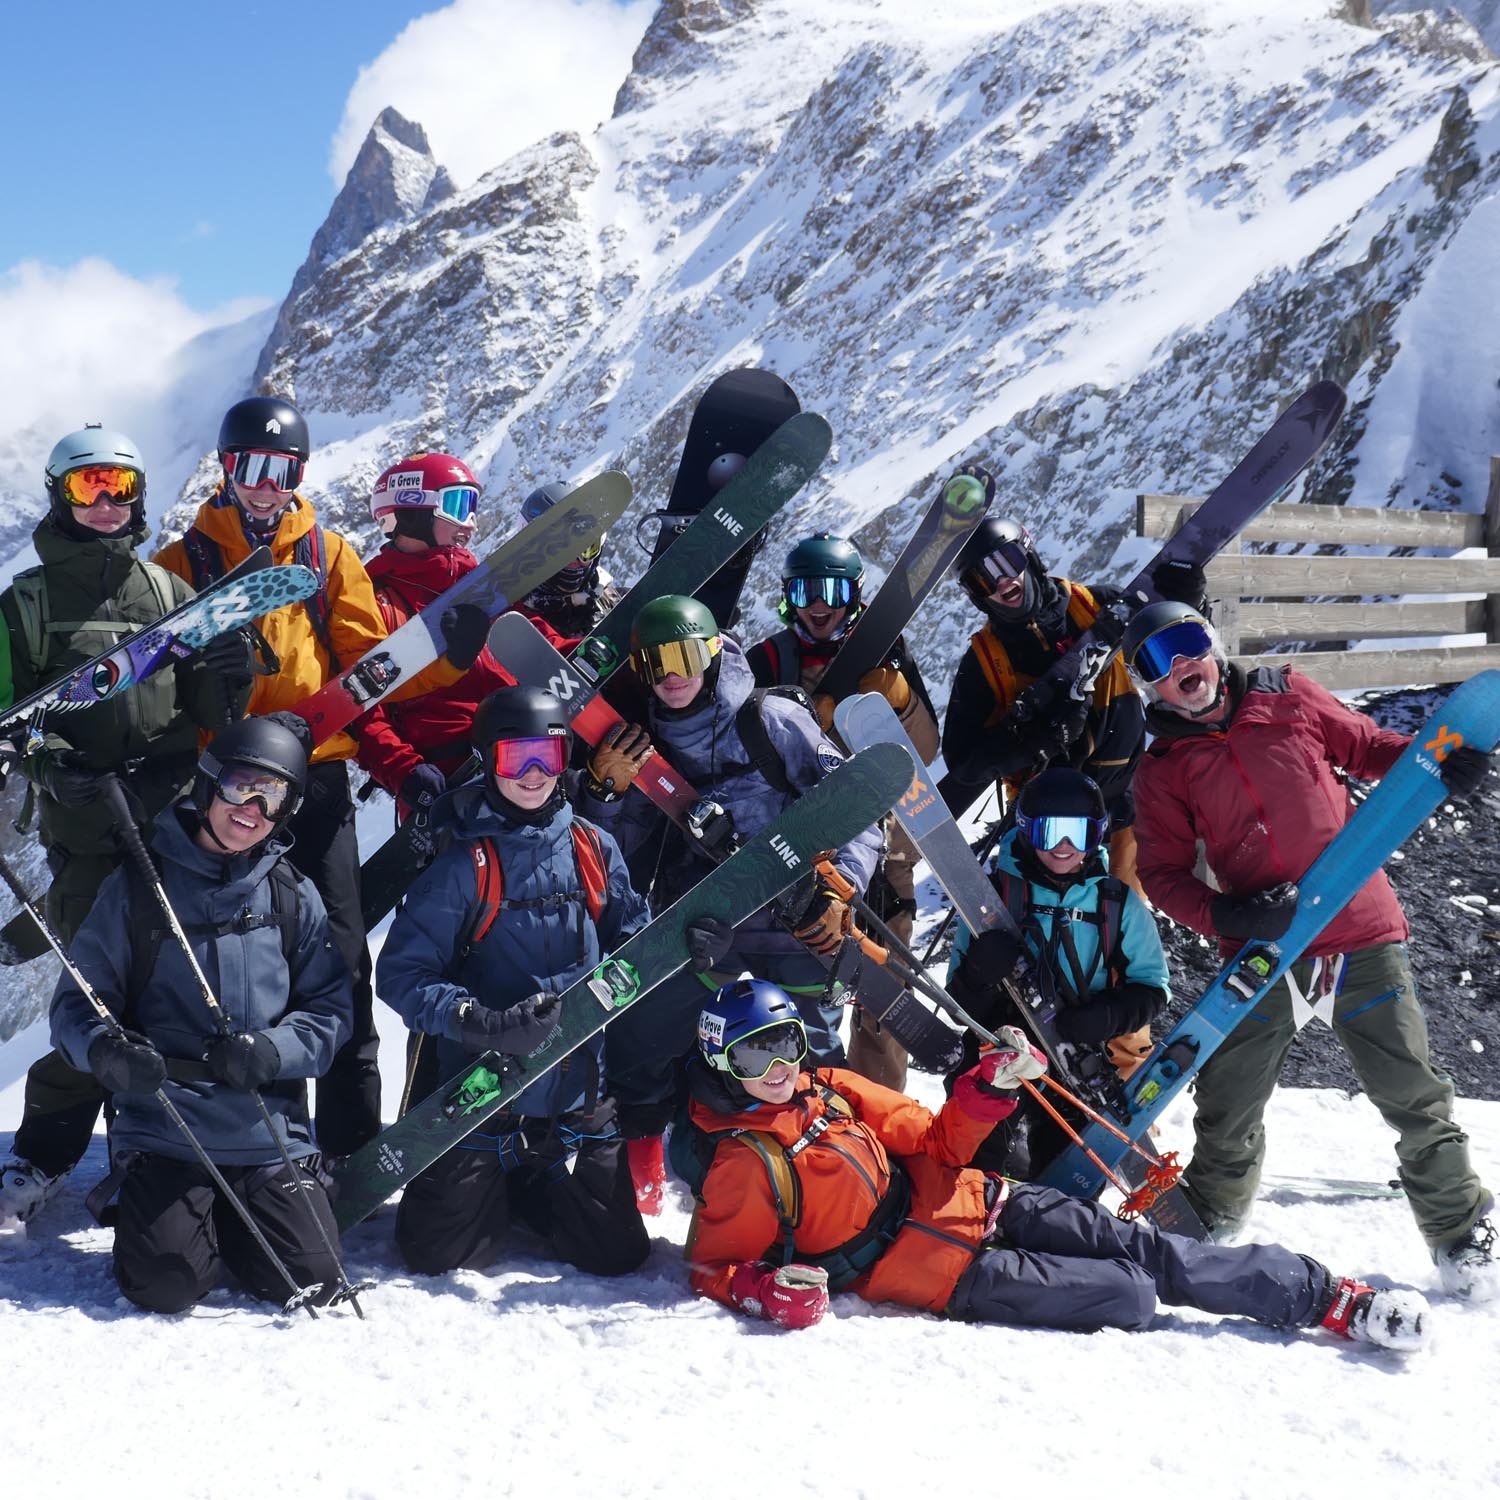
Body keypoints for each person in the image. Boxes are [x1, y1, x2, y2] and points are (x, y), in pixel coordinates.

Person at [680, 978, 1428, 1351]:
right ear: (721, 1060)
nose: (778, 1068)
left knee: (1150, 1250)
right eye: (753, 1054)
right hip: (948, 1274)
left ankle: (1325, 1298)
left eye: (785, 1042)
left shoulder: (833, 1089)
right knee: (1132, 1293)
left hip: (985, 1200)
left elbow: (937, 1143)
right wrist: (764, 1290)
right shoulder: (747, 1162)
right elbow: (712, 1264)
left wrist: (988, 1087)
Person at [1122, 599, 1496, 1299]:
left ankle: (1460, 1231)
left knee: (1412, 1090)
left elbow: (1369, 747)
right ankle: (1211, 1216)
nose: (1180, 667)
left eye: (1187, 643)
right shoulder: (1163, 769)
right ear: (1150, 686)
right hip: (1262, 950)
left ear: (1212, 644)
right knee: (1228, 1099)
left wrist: (1440, 767)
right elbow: (1162, 873)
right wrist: (1223, 913)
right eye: (1156, 662)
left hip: (1358, 926)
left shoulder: (1287, 694)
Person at [153, 396, 488, 1162]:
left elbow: (374, 665)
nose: (267, 486)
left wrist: (448, 659)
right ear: (226, 467)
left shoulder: (325, 553)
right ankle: (247, 1139)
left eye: (285, 471)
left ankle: (348, 1144)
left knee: (338, 954)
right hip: (225, 786)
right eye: (252, 467)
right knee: (231, 962)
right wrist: (203, 679)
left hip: (315, 776)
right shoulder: (180, 564)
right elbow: (156, 684)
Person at [0, 424, 251, 1230]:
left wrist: (230, 677)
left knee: (169, 991)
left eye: (121, 485)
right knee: (93, 997)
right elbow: (9, 718)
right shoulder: (29, 603)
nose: (107, 501)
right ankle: (42, 1155)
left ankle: (145, 1151)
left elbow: (208, 712)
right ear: (59, 496)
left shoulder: (169, 595)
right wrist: (50, 764)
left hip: (168, 816)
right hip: (84, 824)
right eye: (88, 486)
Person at [582, 594, 884, 1213]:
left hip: (797, 925)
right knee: (641, 1036)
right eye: (655, 663)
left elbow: (855, 807)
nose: (672, 676)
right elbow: (615, 849)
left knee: (810, 1066)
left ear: (714, 652)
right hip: (706, 928)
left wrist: (840, 888)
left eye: (685, 657)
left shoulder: (771, 720)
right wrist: (603, 792)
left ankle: (832, 1190)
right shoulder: (644, 747)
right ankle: (646, 1185)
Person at [47, 716, 353, 1313]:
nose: (252, 810)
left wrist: (273, 1051)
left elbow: (329, 1011)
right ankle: (174, 1217)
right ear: (210, 784)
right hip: (167, 1127)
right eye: (241, 786)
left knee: (313, 1279)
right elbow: (76, 1006)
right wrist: (108, 1053)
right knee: (166, 1282)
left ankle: (234, 1219)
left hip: (265, 1131)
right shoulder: (139, 888)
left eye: (272, 797)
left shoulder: (291, 894)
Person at [375, 686, 650, 1279]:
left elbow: (635, 941)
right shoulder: (464, 862)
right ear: (488, 760)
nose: (532, 775)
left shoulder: (592, 847)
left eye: (546, 757)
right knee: (437, 1254)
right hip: (484, 1094)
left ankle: (534, 1184)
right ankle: (504, 1182)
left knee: (617, 1254)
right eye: (514, 758)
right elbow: (400, 974)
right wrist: (483, 1023)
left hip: (576, 1095)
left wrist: (688, 947)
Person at [746, 533, 940, 1091]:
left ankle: (875, 1105)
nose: (818, 604)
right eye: (805, 591)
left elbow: (924, 751)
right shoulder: (767, 661)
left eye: (831, 591)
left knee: (885, 990)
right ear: (788, 597)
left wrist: (899, 704)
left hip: (886, 849)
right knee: (808, 984)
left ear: (853, 595)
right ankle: (802, 1096)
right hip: (806, 848)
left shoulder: (885, 654)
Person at [940, 503, 1207, 896]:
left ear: (1029, 554)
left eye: (1007, 561)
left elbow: (1183, 663)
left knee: (1125, 917)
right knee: (1054, 921)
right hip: (1050, 822)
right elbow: (964, 763)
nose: (1001, 581)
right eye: (982, 580)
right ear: (975, 596)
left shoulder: (1098, 607)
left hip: (1127, 803)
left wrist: (1190, 606)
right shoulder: (983, 663)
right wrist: (1032, 740)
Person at [947, 768, 1169, 1175]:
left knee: (1062, 1168)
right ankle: (974, 1202)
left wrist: (1107, 1017)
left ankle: (1052, 1207)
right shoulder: (991, 897)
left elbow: (1152, 987)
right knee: (975, 1160)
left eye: (1079, 834)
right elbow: (958, 1003)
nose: (1064, 847)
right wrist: (978, 974)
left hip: (1073, 1058)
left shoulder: (1115, 904)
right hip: (996, 1054)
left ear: (1097, 835)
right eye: (1050, 833)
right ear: (1027, 830)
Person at [355, 451, 519, 818]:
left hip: (521, 760)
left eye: (473, 508)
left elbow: (534, 638)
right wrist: (404, 771)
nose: (471, 524)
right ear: (413, 512)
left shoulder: (480, 588)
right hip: (447, 781)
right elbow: (358, 708)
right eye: (459, 506)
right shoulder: (373, 604)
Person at [515, 481, 622, 639]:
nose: (575, 561)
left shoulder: (620, 602)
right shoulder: (515, 623)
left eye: (587, 548)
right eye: (560, 552)